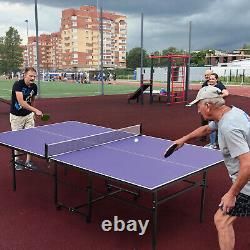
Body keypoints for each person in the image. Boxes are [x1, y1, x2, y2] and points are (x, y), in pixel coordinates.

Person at [172, 85, 250, 250]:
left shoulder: (229, 127)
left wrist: (232, 193)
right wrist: (183, 139)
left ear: (208, 105)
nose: (198, 111)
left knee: (221, 220)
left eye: (198, 106)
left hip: (247, 183)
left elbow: (247, 164)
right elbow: (207, 128)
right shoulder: (232, 112)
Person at [10, 67, 43, 170]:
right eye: (30, 76)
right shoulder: (18, 85)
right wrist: (35, 110)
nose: (33, 78)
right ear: (25, 75)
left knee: (31, 137)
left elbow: (32, 100)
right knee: (17, 140)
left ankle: (28, 161)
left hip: (28, 116)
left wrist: (32, 113)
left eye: (34, 76)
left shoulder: (34, 87)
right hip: (16, 117)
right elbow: (21, 102)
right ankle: (17, 161)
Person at [206, 73, 229, 148]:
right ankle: (214, 143)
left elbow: (226, 93)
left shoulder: (219, 86)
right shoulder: (207, 85)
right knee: (213, 126)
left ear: (216, 79)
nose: (211, 80)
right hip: (209, 109)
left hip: (217, 109)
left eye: (213, 79)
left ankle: (214, 144)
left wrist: (217, 97)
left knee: (214, 126)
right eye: (210, 79)